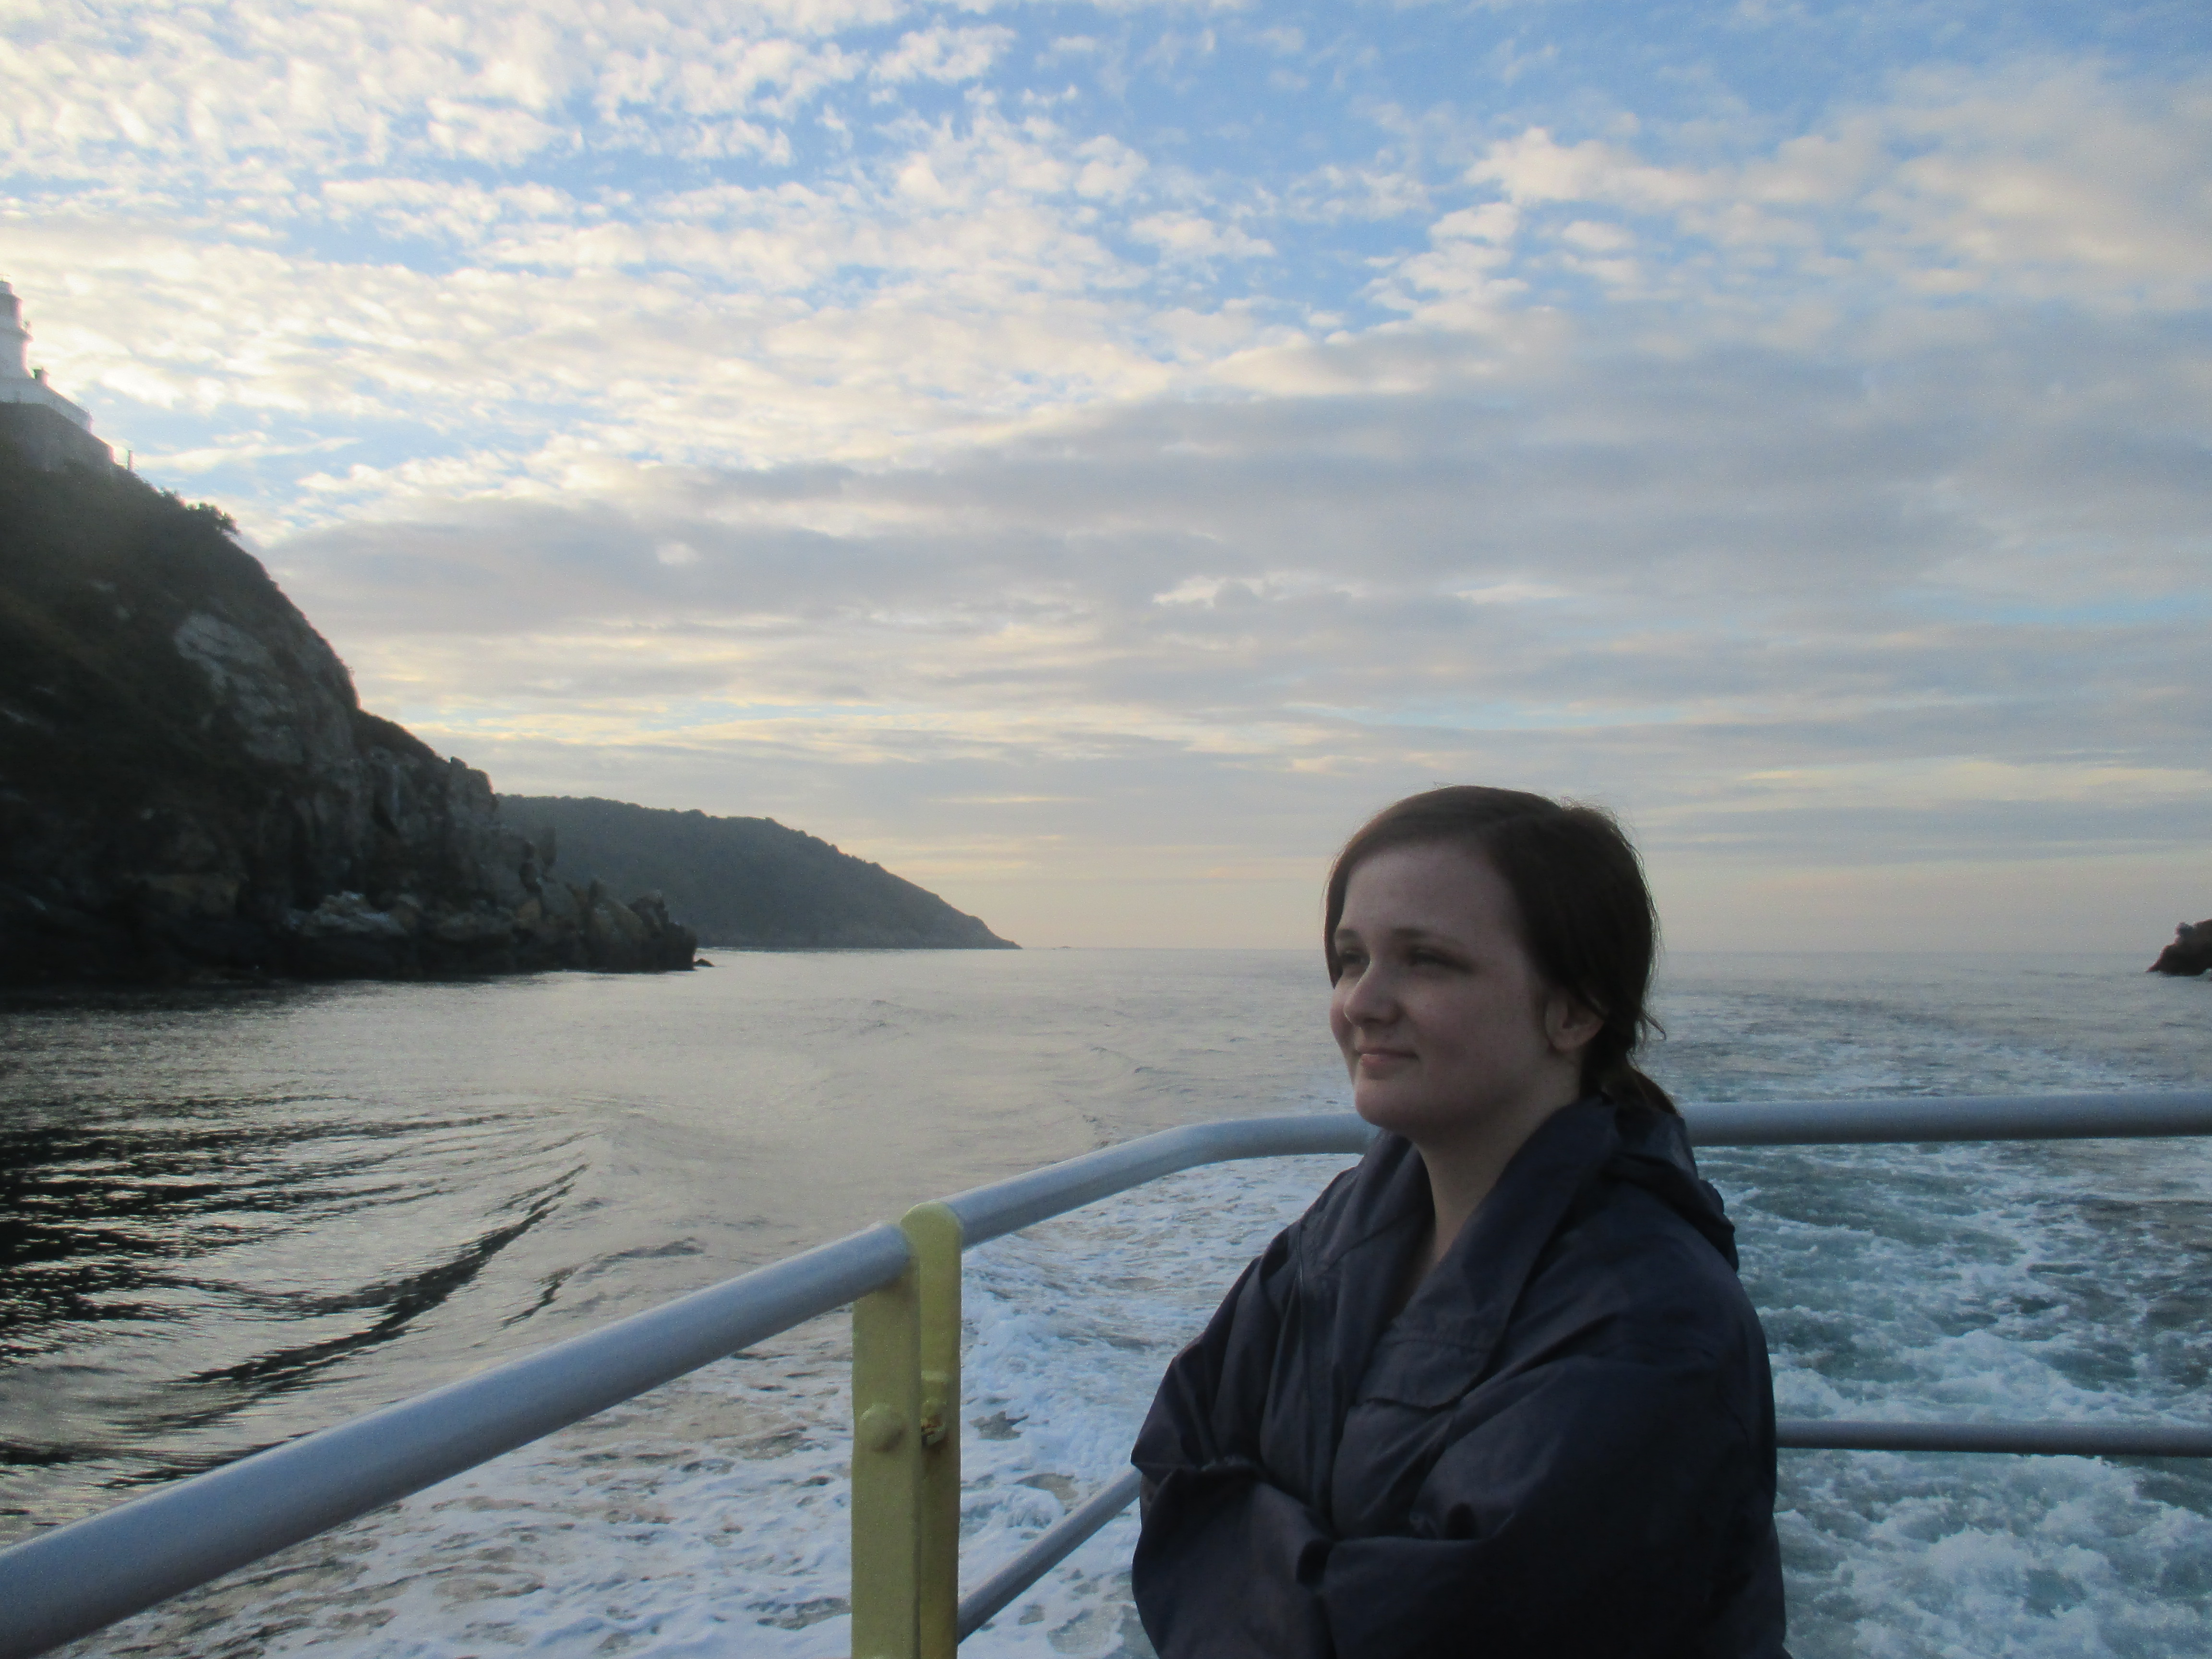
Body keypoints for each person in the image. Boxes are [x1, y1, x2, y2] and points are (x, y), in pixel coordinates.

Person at [1130, 786, 1787, 1658]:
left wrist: (1240, 1544)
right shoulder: (1344, 1230)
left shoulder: (1652, 1329)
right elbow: (1177, 1454)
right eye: (1351, 959)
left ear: (1575, 1009)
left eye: (1427, 960)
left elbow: (1428, 1631)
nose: (1363, 1001)